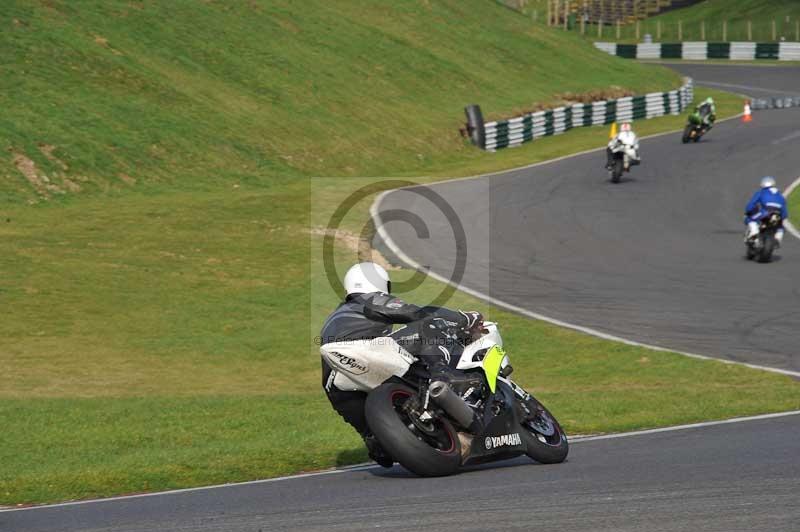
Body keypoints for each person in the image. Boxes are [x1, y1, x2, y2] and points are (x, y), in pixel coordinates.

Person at [318, 262, 483, 467]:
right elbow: (418, 313)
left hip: (334, 381)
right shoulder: (370, 299)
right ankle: (443, 375)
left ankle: (376, 441)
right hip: (367, 349)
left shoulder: (334, 316)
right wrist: (464, 318)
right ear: (379, 283)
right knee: (426, 325)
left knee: (373, 438)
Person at [744, 176, 788, 245]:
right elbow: (785, 213)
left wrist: (748, 211)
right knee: (780, 226)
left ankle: (754, 232)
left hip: (765, 212)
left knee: (749, 219)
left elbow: (751, 204)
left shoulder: (761, 192)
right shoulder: (780, 195)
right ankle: (778, 239)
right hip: (778, 214)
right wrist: (782, 217)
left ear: (763, 184)